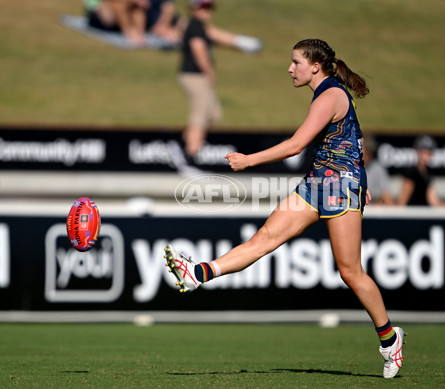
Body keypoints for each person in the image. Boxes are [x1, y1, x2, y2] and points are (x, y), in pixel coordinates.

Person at [165, 38, 406, 379]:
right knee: (264, 238)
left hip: (340, 187)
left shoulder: (330, 95)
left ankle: (390, 339)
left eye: (296, 62)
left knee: (350, 272)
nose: (290, 68)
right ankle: (199, 274)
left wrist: (249, 160)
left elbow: (296, 145)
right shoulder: (329, 93)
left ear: (315, 67)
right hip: (319, 182)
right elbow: (356, 135)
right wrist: (362, 175)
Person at [179, 0, 262, 158]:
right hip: (195, 75)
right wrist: (209, 72)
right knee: (200, 115)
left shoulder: (201, 26)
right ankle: (190, 155)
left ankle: (186, 145)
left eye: (209, 8)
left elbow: (219, 35)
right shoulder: (195, 25)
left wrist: (243, 43)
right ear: (193, 9)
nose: (207, 11)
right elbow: (199, 49)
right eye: (203, 8)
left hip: (197, 76)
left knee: (213, 113)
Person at [396, 135, 445, 207]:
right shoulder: (411, 173)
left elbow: (435, 203)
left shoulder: (427, 174)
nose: (428, 155)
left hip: (425, 215)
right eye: (425, 151)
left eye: (430, 152)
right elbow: (402, 202)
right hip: (414, 217)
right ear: (417, 151)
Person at [83, 0, 181, 46]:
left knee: (136, 7)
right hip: (100, 13)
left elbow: (168, 6)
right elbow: (93, 5)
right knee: (122, 4)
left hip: (131, 13)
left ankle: (138, 34)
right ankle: (129, 32)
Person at [363, 134, 393, 205]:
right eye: (366, 152)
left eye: (370, 152)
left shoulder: (377, 168)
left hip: (369, 208)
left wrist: (378, 204)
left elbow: (387, 197)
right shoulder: (349, 166)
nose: (369, 155)